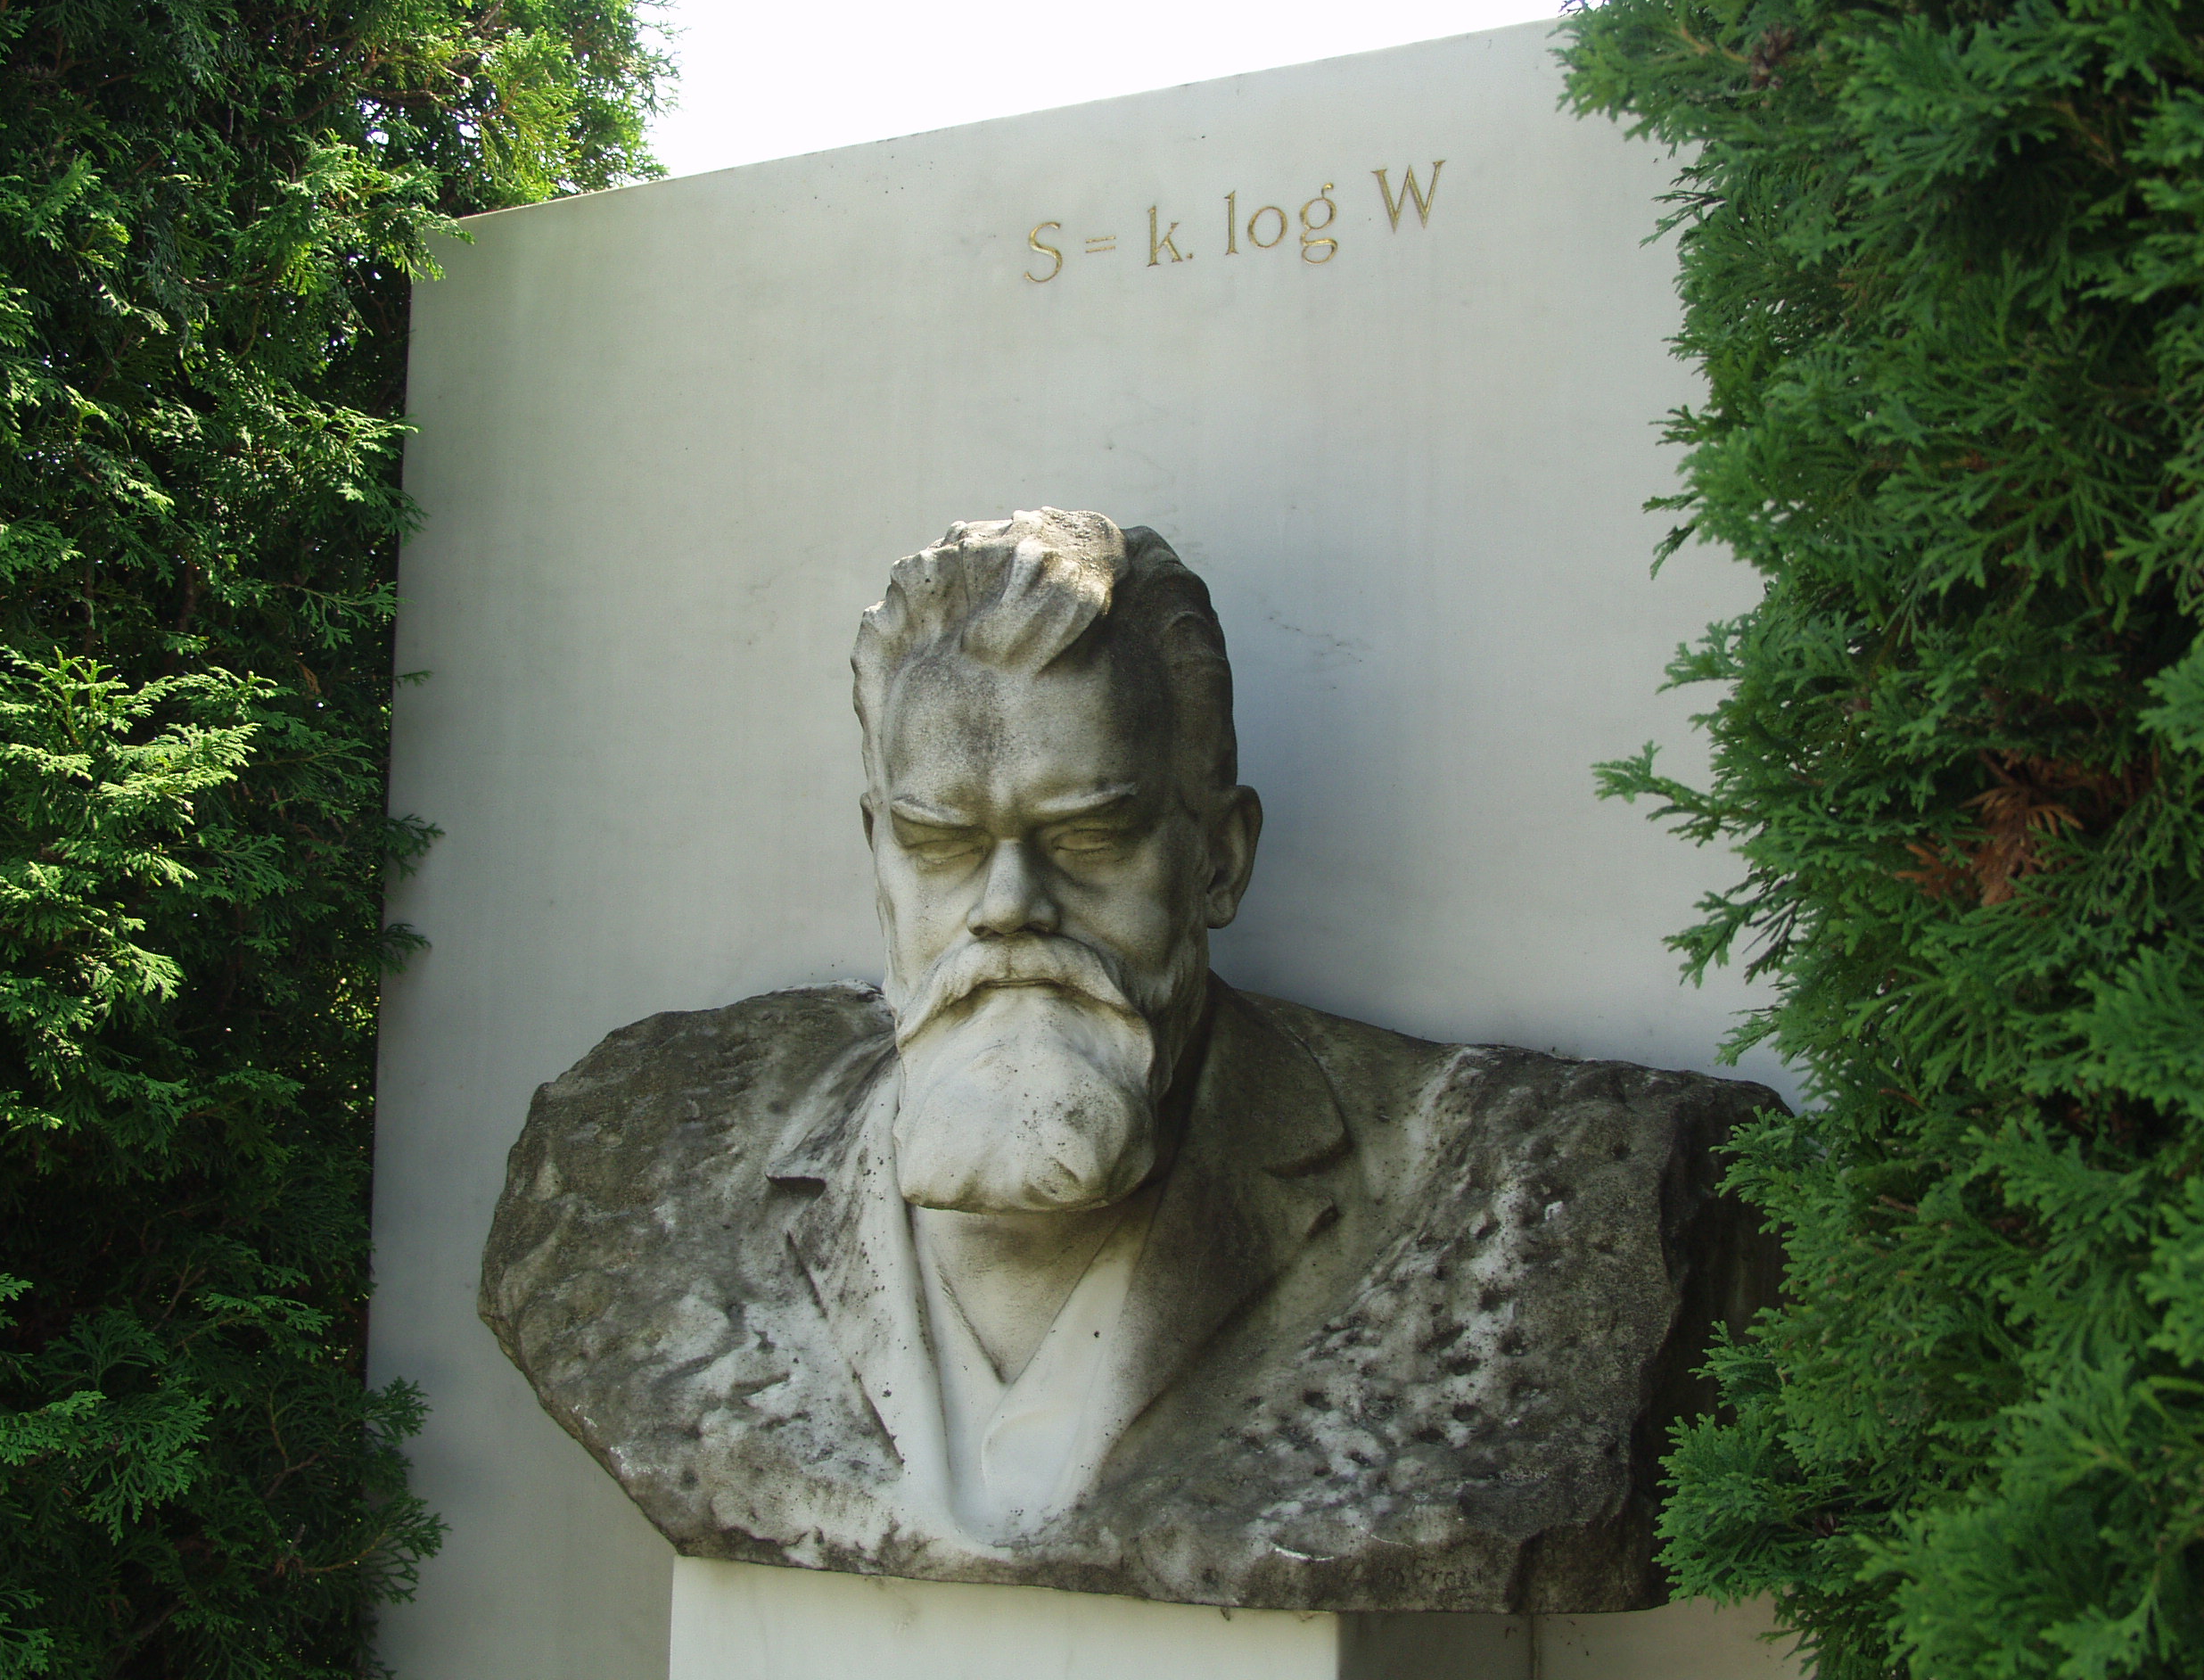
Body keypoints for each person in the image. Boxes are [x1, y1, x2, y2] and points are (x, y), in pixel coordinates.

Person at [481, 510, 1773, 1611]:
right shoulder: (639, 1166)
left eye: (1089, 837)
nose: (1008, 906)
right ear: (876, 847)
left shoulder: (1528, 1195)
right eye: (940, 843)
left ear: (1219, 856)